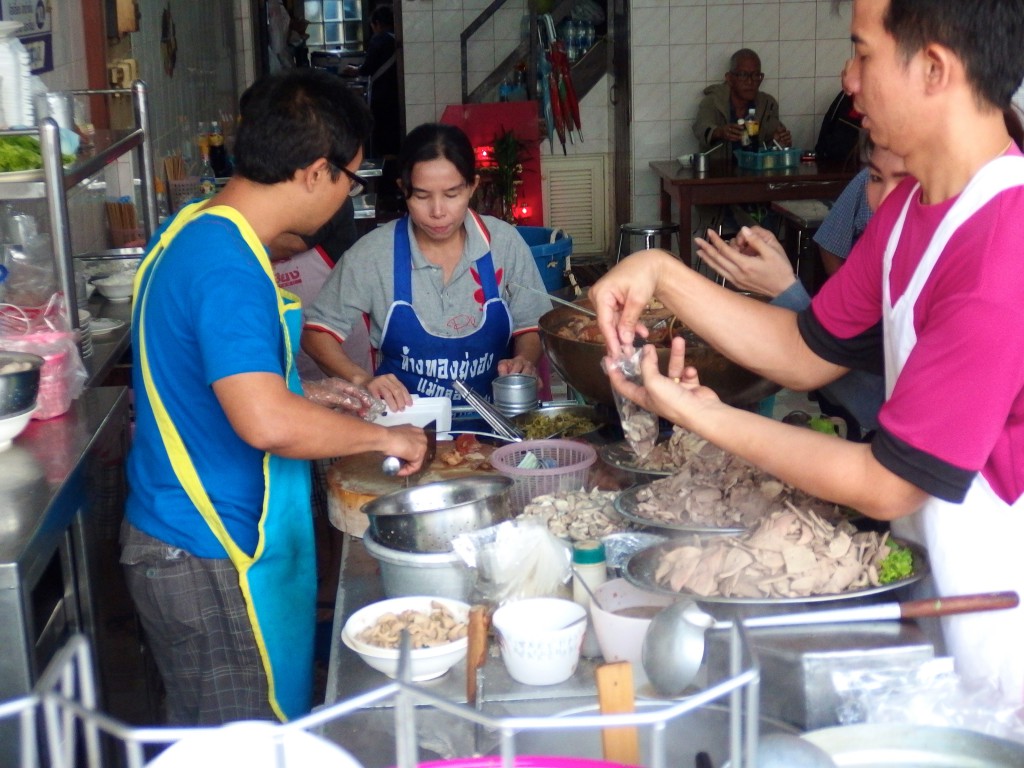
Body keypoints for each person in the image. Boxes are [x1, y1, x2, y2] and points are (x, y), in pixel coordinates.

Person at [591, 0, 1024, 702]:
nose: (848, 81)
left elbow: (888, 482)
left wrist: (703, 416)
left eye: (862, 52)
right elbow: (805, 347)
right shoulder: (917, 205)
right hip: (940, 579)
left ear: (935, 69)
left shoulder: (1004, 244)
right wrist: (663, 275)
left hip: (1004, 610)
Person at [121, 68, 428, 726]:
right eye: (351, 177)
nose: (348, 194)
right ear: (316, 172)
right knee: (242, 749)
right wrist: (386, 438)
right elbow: (262, 422)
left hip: (187, 538)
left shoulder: (197, 229)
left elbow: (216, 382)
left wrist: (306, 390)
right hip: (207, 549)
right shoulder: (227, 265)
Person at [301, 122, 552, 415]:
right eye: (421, 196)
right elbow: (316, 333)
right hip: (406, 428)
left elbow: (532, 324)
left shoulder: (504, 244)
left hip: (498, 424)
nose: (437, 211)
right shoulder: (373, 254)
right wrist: (362, 379)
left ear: (472, 185)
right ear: (403, 190)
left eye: (452, 194)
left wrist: (524, 360)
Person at [700, 136, 909, 437]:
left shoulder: (946, 267)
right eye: (876, 177)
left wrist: (784, 287)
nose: (882, 201)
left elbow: (874, 397)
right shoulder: (878, 240)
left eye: (906, 182)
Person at [693, 48, 793, 152]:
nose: (750, 82)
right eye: (743, 75)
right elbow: (701, 128)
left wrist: (779, 143)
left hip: (756, 167)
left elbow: (772, 142)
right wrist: (720, 132)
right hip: (719, 167)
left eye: (755, 75)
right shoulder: (713, 101)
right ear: (729, 78)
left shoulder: (768, 104)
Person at [346, 3, 400, 158]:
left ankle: (384, 164)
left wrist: (355, 70)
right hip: (397, 93)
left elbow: (368, 68)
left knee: (382, 132)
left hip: (382, 94)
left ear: (377, 24)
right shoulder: (397, 38)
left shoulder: (380, 39)